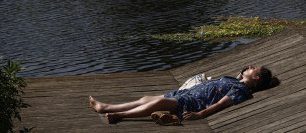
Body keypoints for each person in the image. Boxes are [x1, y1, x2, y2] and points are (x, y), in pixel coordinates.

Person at [88, 65, 274, 124]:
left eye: (252, 68)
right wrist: (241, 74)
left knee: (156, 102)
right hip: (185, 93)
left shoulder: (241, 90)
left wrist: (200, 114)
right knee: (146, 99)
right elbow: (226, 84)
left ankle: (118, 115)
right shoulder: (235, 81)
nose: (248, 67)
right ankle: (107, 107)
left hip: (192, 103)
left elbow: (223, 103)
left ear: (256, 77)